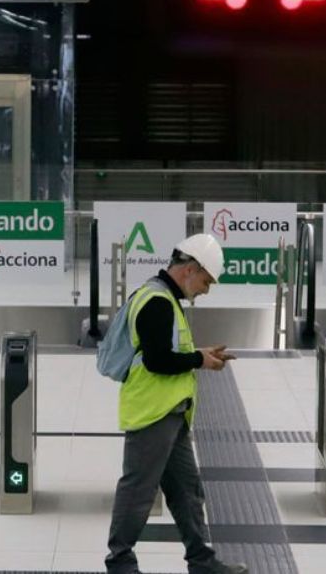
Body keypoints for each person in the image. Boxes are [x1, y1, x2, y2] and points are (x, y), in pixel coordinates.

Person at [105, 233, 248, 574]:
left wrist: (198, 354)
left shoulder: (167, 298)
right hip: (152, 413)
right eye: (206, 280)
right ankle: (120, 562)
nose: (206, 289)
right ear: (190, 269)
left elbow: (169, 353)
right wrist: (199, 361)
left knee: (187, 490)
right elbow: (157, 361)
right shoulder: (157, 301)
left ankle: (201, 561)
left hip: (173, 413)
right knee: (138, 490)